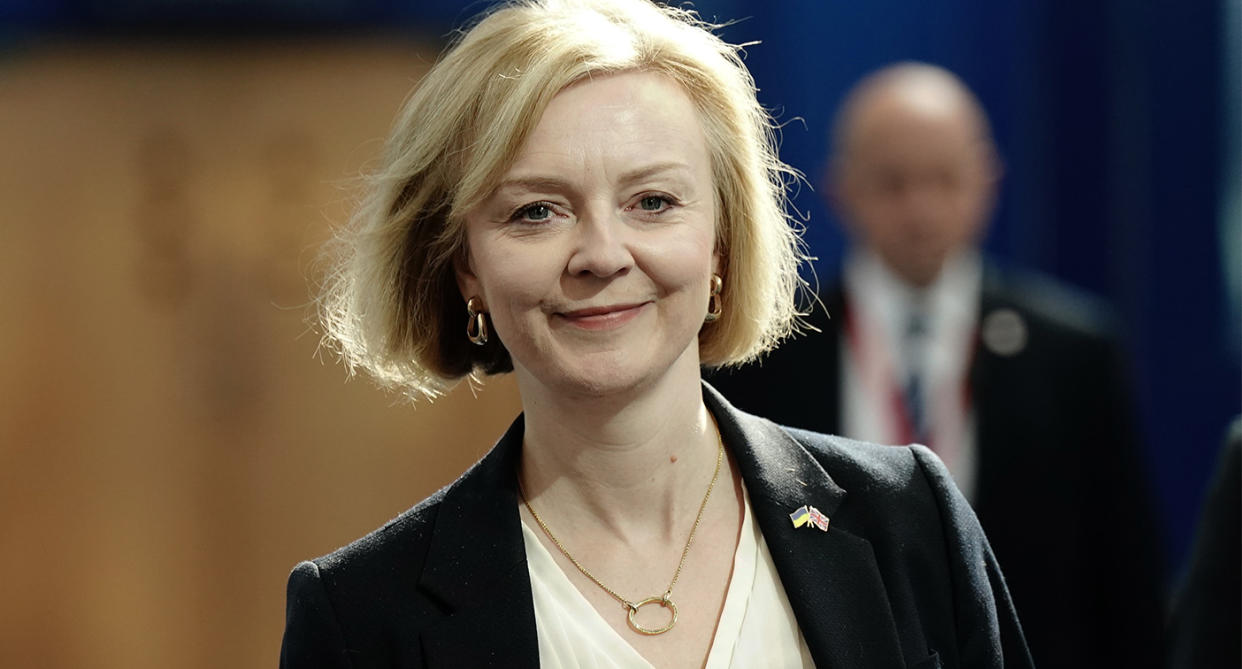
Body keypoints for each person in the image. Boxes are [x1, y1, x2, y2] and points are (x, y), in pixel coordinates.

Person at [280, 4, 1033, 667]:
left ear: (720, 242)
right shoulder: (359, 615)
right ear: (464, 266)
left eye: (652, 200)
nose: (603, 254)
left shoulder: (909, 519)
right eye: (536, 211)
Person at [709, 63, 1166, 668]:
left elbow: (1125, 581)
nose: (920, 209)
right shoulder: (767, 347)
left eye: (944, 180)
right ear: (842, 188)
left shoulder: (1073, 354)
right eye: (893, 182)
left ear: (988, 181)